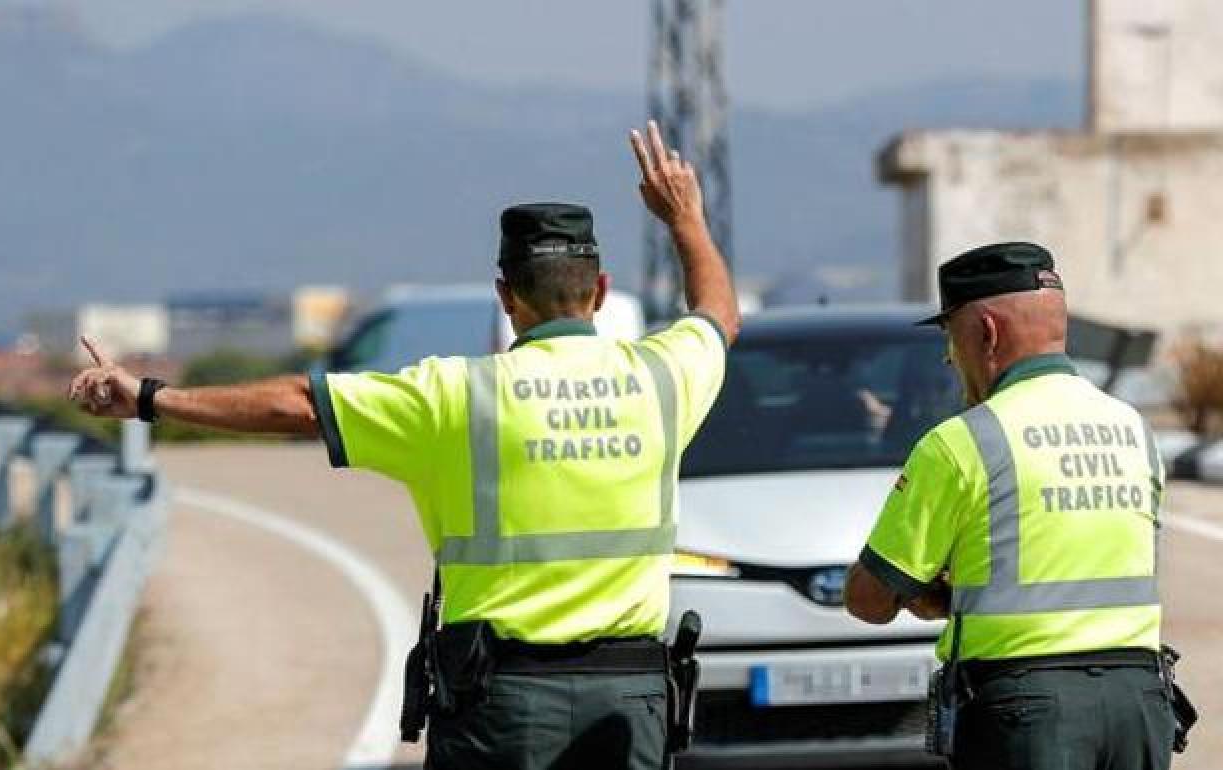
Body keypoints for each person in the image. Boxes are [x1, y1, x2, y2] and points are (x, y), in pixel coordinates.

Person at [68, 120, 739, 770]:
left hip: (503, 705)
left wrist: (150, 397)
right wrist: (684, 217)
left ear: (506, 297)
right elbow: (716, 316)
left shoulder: (455, 396)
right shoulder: (663, 379)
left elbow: (301, 404)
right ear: (601, 291)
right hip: (628, 701)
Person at [842, 242, 1175, 770]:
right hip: (1138, 704)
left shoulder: (962, 443)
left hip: (1027, 714)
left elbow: (870, 599)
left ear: (987, 334)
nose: (951, 358)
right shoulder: (1135, 431)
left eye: (951, 339)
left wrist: (933, 594)